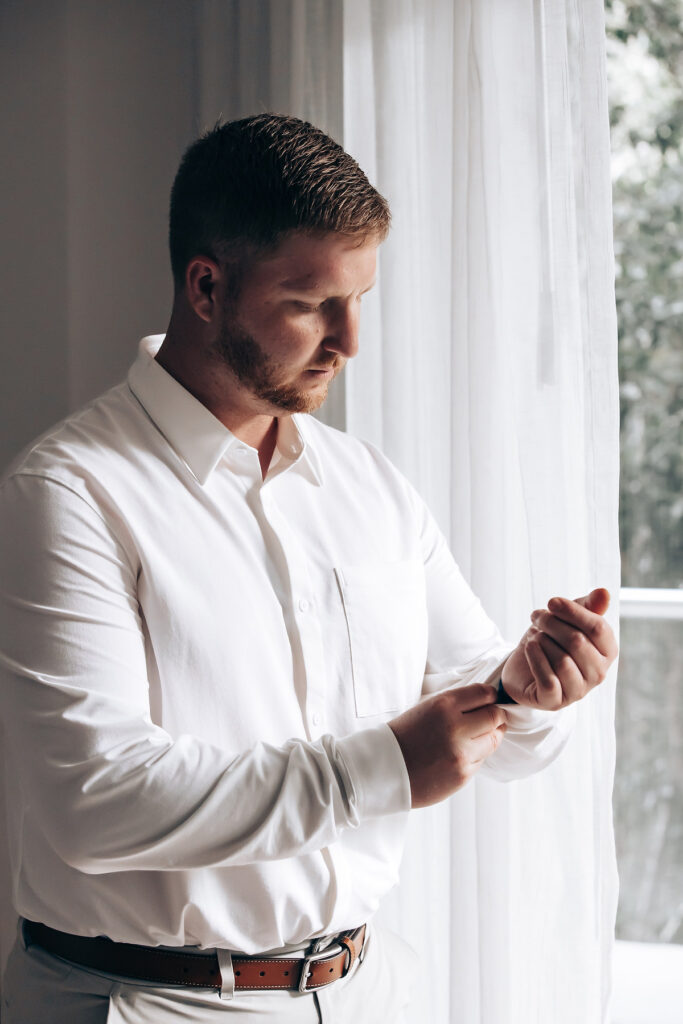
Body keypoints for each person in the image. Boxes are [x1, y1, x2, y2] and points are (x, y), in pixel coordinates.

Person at [0, 113, 617, 1023]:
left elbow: (490, 724)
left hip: (370, 991)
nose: (350, 342)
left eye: (361, 297)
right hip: (142, 1003)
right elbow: (91, 802)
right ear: (205, 288)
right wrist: (379, 768)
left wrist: (530, 691)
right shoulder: (67, 492)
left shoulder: (369, 485)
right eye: (310, 303)